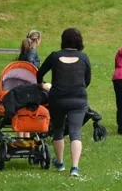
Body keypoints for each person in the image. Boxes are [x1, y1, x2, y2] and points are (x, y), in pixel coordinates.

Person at [36, 28, 91, 177]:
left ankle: (60, 163)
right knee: (75, 132)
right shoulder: (84, 57)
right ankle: (75, 167)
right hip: (78, 99)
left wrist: (41, 85)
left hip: (58, 99)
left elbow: (39, 73)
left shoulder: (55, 56)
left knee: (58, 130)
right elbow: (87, 79)